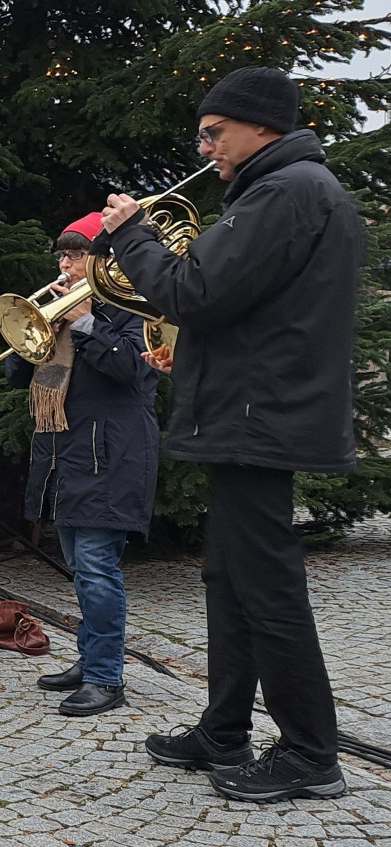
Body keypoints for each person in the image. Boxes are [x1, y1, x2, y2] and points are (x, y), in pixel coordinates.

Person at [104, 66, 360, 802]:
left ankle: (312, 751)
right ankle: (225, 727)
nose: (206, 146)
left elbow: (194, 293)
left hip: (260, 418)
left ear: (261, 128)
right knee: (230, 578)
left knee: (267, 586)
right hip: (256, 412)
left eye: (215, 132)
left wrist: (131, 236)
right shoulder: (286, 190)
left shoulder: (285, 192)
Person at [2, 213, 157, 718]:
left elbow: (131, 370)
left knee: (95, 568)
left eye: (74, 255)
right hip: (65, 451)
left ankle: (107, 676)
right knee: (78, 568)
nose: (64, 265)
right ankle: (90, 660)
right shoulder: (63, 309)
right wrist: (35, 328)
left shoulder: (138, 307)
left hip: (111, 452)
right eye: (61, 256)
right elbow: (14, 374)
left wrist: (87, 319)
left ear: (104, 261)